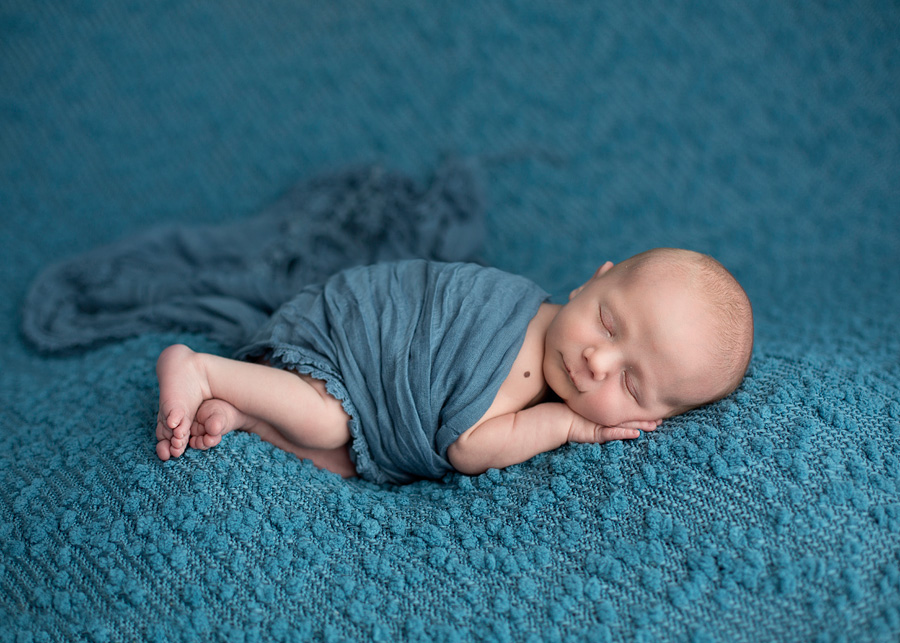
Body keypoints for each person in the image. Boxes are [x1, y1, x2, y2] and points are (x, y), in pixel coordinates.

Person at [155, 248, 753, 484]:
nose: (598, 360)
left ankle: (245, 413)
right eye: (607, 323)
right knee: (331, 426)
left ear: (654, 417)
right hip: (349, 340)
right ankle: (204, 371)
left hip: (344, 328)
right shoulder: (521, 355)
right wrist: (569, 427)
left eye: (629, 382)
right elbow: (467, 447)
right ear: (590, 283)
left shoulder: (549, 340)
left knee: (337, 462)